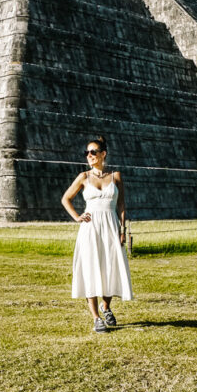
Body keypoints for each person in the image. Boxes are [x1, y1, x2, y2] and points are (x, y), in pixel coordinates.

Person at [61, 135, 133, 333]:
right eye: (87, 153)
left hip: (111, 226)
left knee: (110, 268)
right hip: (90, 228)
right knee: (90, 269)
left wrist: (122, 229)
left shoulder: (115, 176)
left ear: (103, 154)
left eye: (93, 152)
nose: (90, 156)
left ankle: (106, 306)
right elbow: (66, 199)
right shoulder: (83, 177)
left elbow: (121, 204)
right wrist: (77, 217)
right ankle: (96, 318)